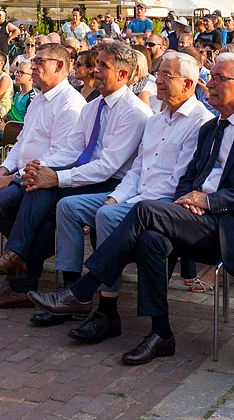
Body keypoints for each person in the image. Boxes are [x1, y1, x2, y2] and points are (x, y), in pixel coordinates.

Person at [29, 53, 234, 364]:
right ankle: (161, 334)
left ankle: (84, 290)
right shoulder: (213, 128)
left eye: (220, 79)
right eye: (213, 76)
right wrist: (186, 200)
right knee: (152, 240)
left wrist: (208, 201)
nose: (211, 84)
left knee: (145, 211)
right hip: (198, 219)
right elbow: (189, 177)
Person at [0, 42, 152, 309]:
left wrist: (55, 178)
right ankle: (36, 276)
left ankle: (27, 272)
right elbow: (73, 149)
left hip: (114, 183)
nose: (95, 70)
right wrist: (41, 171)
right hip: (85, 174)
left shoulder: (134, 112)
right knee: (38, 192)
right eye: (96, 64)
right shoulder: (93, 107)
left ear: (123, 75)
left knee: (45, 196)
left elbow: (108, 166)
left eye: (103, 65)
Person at [50, 52, 213, 341]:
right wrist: (117, 197)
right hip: (134, 195)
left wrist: (124, 203)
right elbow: (137, 169)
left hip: (164, 204)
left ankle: (107, 309)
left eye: (166, 76)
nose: (157, 80)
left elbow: (178, 183)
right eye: (158, 73)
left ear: (188, 84)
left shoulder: (201, 122)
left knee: (106, 215)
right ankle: (72, 291)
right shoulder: (156, 119)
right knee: (69, 206)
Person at [0, 44, 86, 266]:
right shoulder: (38, 98)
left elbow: (63, 155)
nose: (33, 66)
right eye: (34, 61)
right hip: (22, 174)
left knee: (8, 198)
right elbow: (21, 142)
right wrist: (2, 170)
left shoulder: (71, 103)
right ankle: (27, 249)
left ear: (59, 66)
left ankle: (23, 252)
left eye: (40, 61)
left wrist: (13, 177)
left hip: (47, 178)